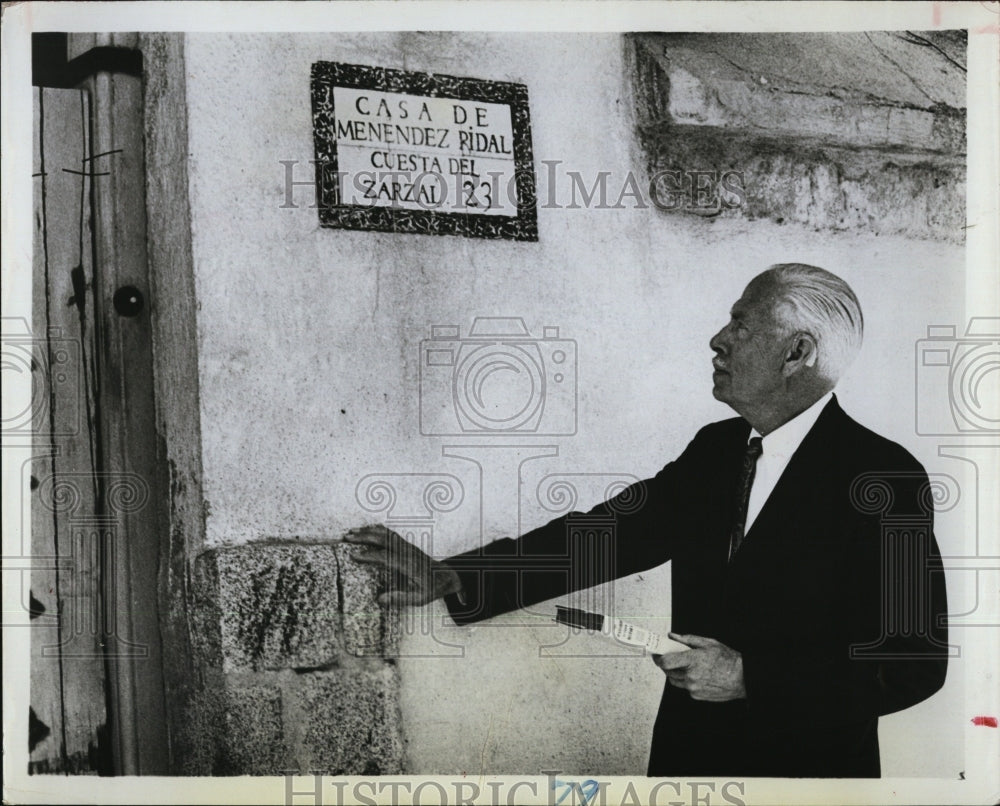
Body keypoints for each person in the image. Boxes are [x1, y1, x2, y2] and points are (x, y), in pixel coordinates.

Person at [346, 263, 949, 778]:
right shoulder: (717, 450)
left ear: (798, 353)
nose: (719, 339)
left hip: (807, 776)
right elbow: (613, 533)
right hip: (690, 762)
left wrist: (751, 678)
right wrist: (457, 576)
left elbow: (912, 662)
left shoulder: (884, 477)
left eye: (741, 323)